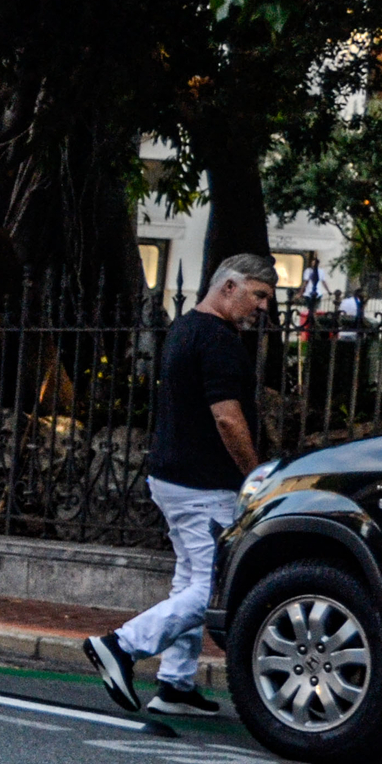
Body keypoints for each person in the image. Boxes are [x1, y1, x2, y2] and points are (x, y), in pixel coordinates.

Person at [87, 252, 278, 717]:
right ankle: (121, 645)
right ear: (229, 287)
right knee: (214, 587)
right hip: (205, 484)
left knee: (192, 579)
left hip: (171, 477)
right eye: (258, 295)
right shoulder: (218, 340)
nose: (262, 307)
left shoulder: (186, 328)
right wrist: (255, 478)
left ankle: (175, 683)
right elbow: (228, 419)